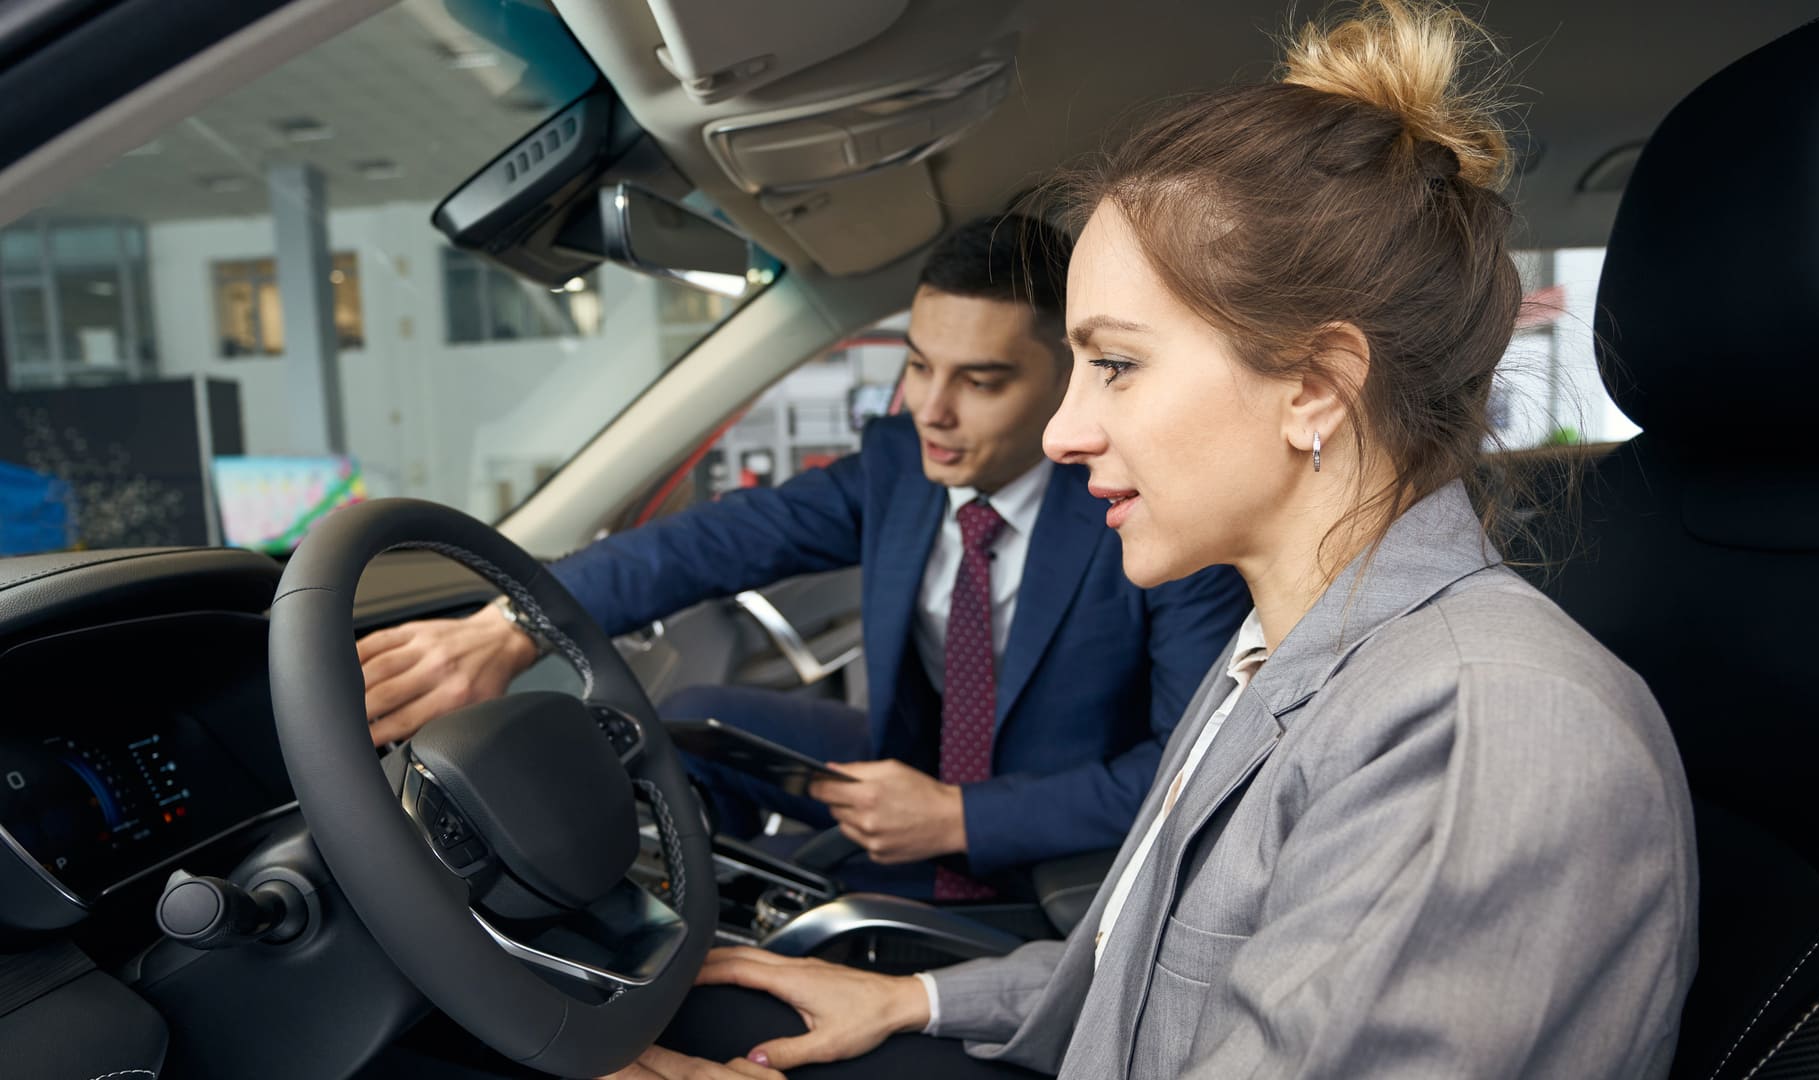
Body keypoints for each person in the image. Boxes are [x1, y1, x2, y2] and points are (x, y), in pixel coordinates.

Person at [621, 2, 1699, 1078]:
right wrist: (917, 998)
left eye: (1117, 365)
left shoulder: (1478, 724)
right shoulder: (1276, 652)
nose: (1062, 432)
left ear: (1316, 388)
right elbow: (1154, 972)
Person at [357, 214, 1251, 898]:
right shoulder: (900, 467)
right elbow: (707, 544)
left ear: (1067, 377)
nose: (932, 409)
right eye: (918, 366)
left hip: (1062, 848)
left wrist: (957, 818)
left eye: (980, 381)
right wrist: (514, 627)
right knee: (690, 721)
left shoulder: (1148, 512)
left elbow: (1186, 766)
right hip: (917, 758)